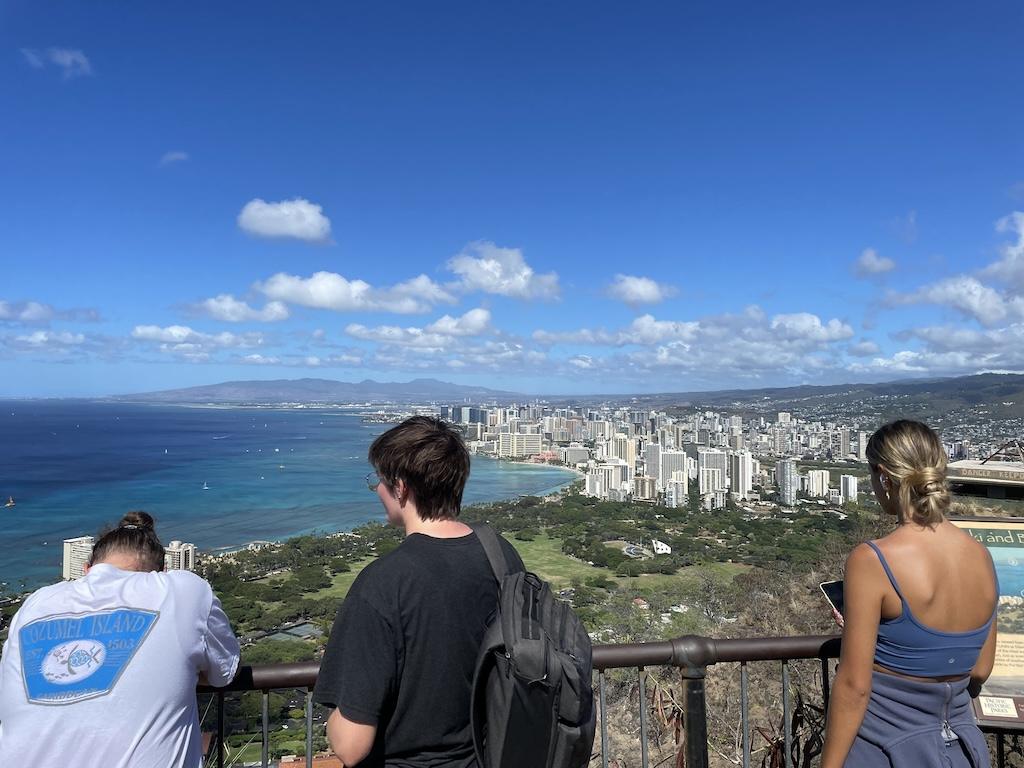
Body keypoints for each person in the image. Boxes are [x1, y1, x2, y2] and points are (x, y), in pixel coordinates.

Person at [313, 416, 524, 767]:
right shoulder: (502, 554)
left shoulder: (382, 583)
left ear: (400, 488)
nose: (377, 491)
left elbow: (350, 746)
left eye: (379, 481)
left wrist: (332, 724)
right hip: (494, 757)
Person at [0, 511, 240, 768]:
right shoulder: (183, 590)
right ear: (163, 571)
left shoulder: (36, 603)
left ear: (86, 570)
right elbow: (224, 672)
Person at [821, 420, 998, 768]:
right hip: (963, 750)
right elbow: (980, 669)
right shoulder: (982, 556)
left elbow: (855, 686)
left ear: (885, 477)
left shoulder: (873, 560)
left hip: (886, 749)